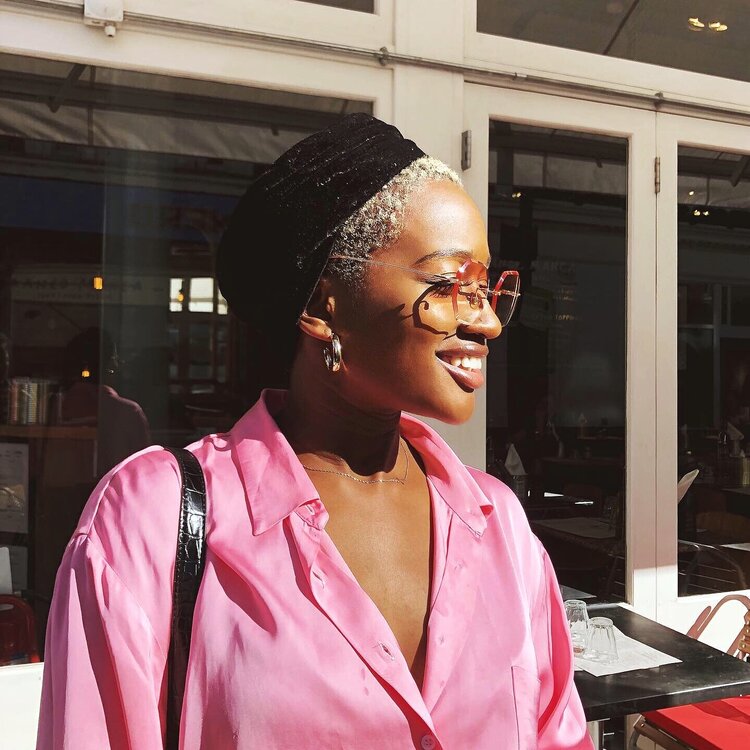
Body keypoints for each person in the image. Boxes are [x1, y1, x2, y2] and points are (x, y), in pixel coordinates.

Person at [37, 114, 592, 749]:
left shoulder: (499, 527)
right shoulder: (155, 519)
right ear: (322, 306)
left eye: (487, 288)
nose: (487, 323)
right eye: (446, 285)